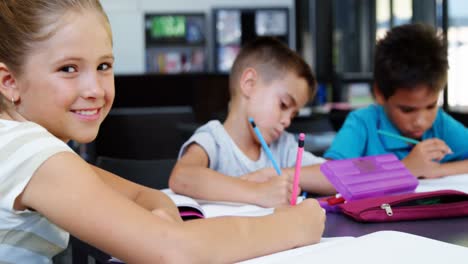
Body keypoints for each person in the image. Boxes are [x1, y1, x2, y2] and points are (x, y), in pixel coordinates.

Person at [0, 1, 326, 263]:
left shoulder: (30, 148)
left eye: (103, 66)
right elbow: (175, 251)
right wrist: (292, 226)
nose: (95, 89)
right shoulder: (30, 152)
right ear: (9, 82)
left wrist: (160, 221)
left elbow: (147, 196)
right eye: (68, 69)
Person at [169, 37, 335, 208]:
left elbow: (337, 176)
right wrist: (258, 192)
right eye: (283, 104)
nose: (286, 121)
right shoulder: (214, 139)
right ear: (249, 84)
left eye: (293, 115)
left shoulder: (283, 147)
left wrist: (283, 175)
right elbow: (182, 176)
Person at [324, 23, 468, 179]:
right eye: (407, 110)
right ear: (379, 93)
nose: (420, 121)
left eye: (431, 106)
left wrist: (437, 170)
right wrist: (404, 169)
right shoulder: (363, 123)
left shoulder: (440, 124)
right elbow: (330, 175)